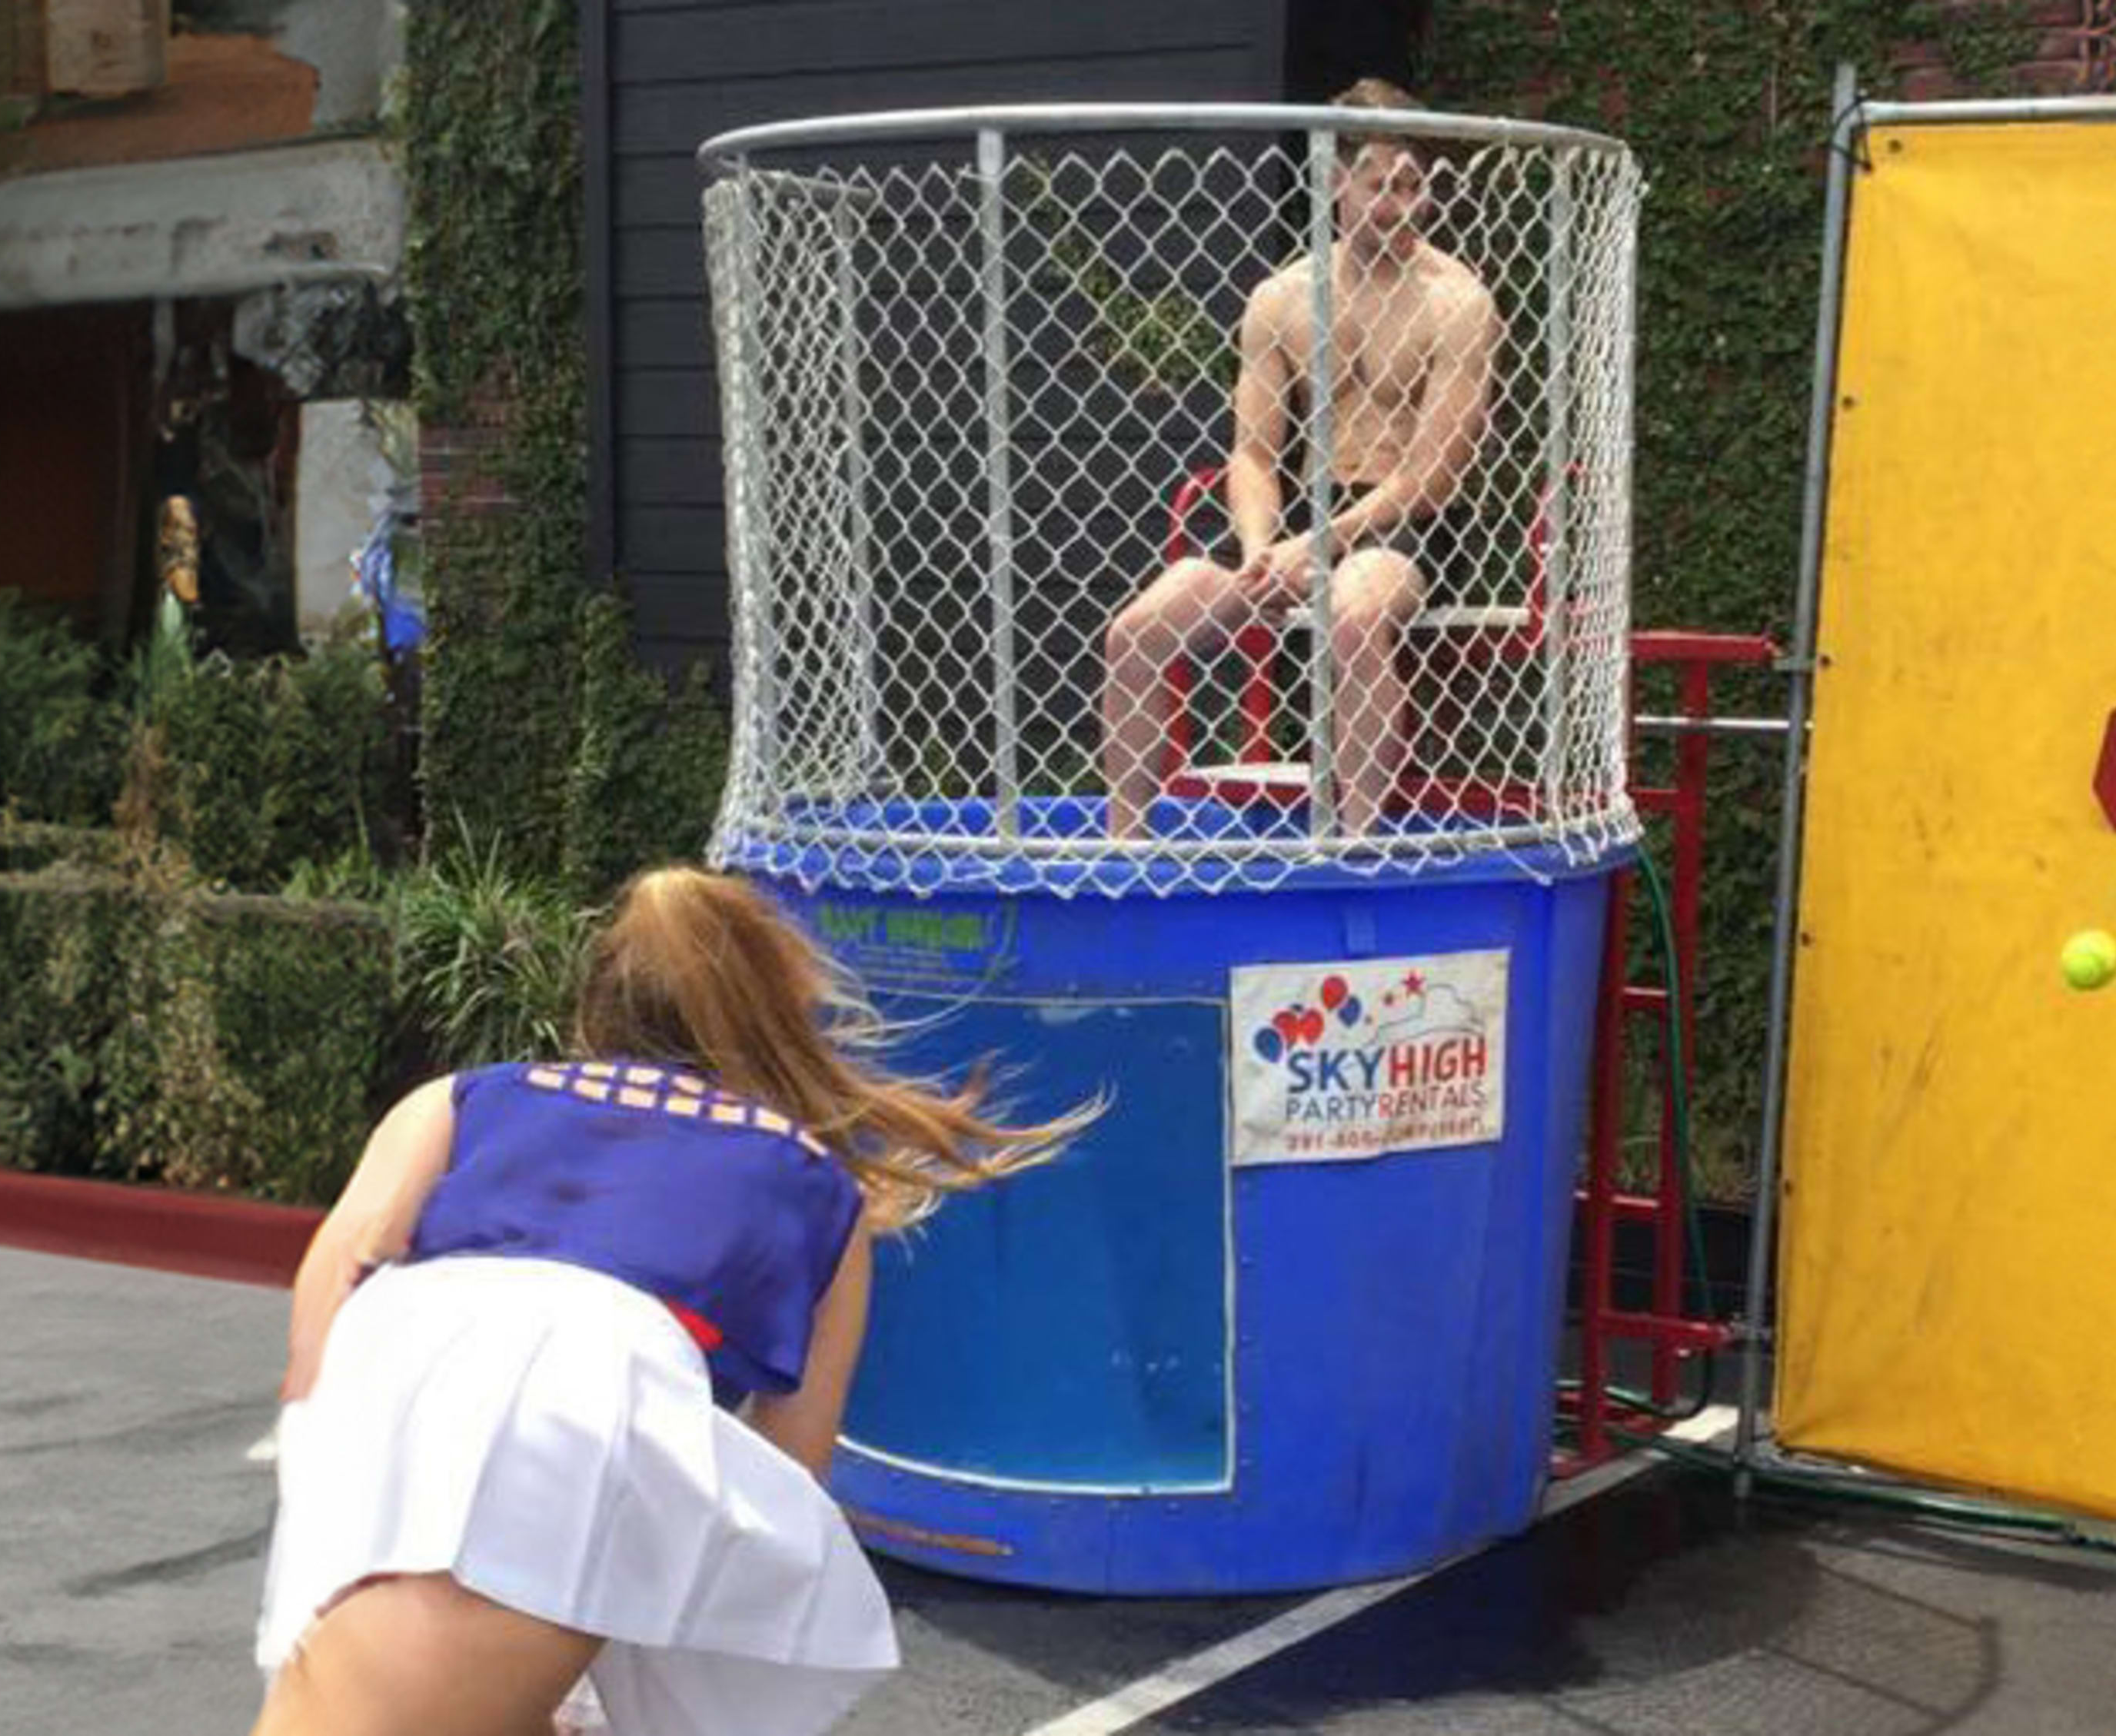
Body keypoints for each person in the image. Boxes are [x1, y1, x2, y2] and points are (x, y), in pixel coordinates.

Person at [250, 866, 1085, 1736]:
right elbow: (793, 1458)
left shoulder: (464, 1097)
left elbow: (340, 1263)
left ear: (593, 1011)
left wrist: (321, 1435)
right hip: (583, 1401)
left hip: (408, 1364)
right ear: (767, 1020)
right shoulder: (814, 1182)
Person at [1100, 78, 1502, 839]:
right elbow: (1252, 452)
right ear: (1335, 181)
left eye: (1414, 186)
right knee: (1140, 625)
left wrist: (1317, 544)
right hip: (1295, 518)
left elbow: (1432, 476)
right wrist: (1260, 551)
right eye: (1381, 186)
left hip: (1406, 523)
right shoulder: (1283, 297)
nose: (1401, 207)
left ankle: (1351, 845)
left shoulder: (1458, 301)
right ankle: (1125, 845)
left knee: (1353, 613)